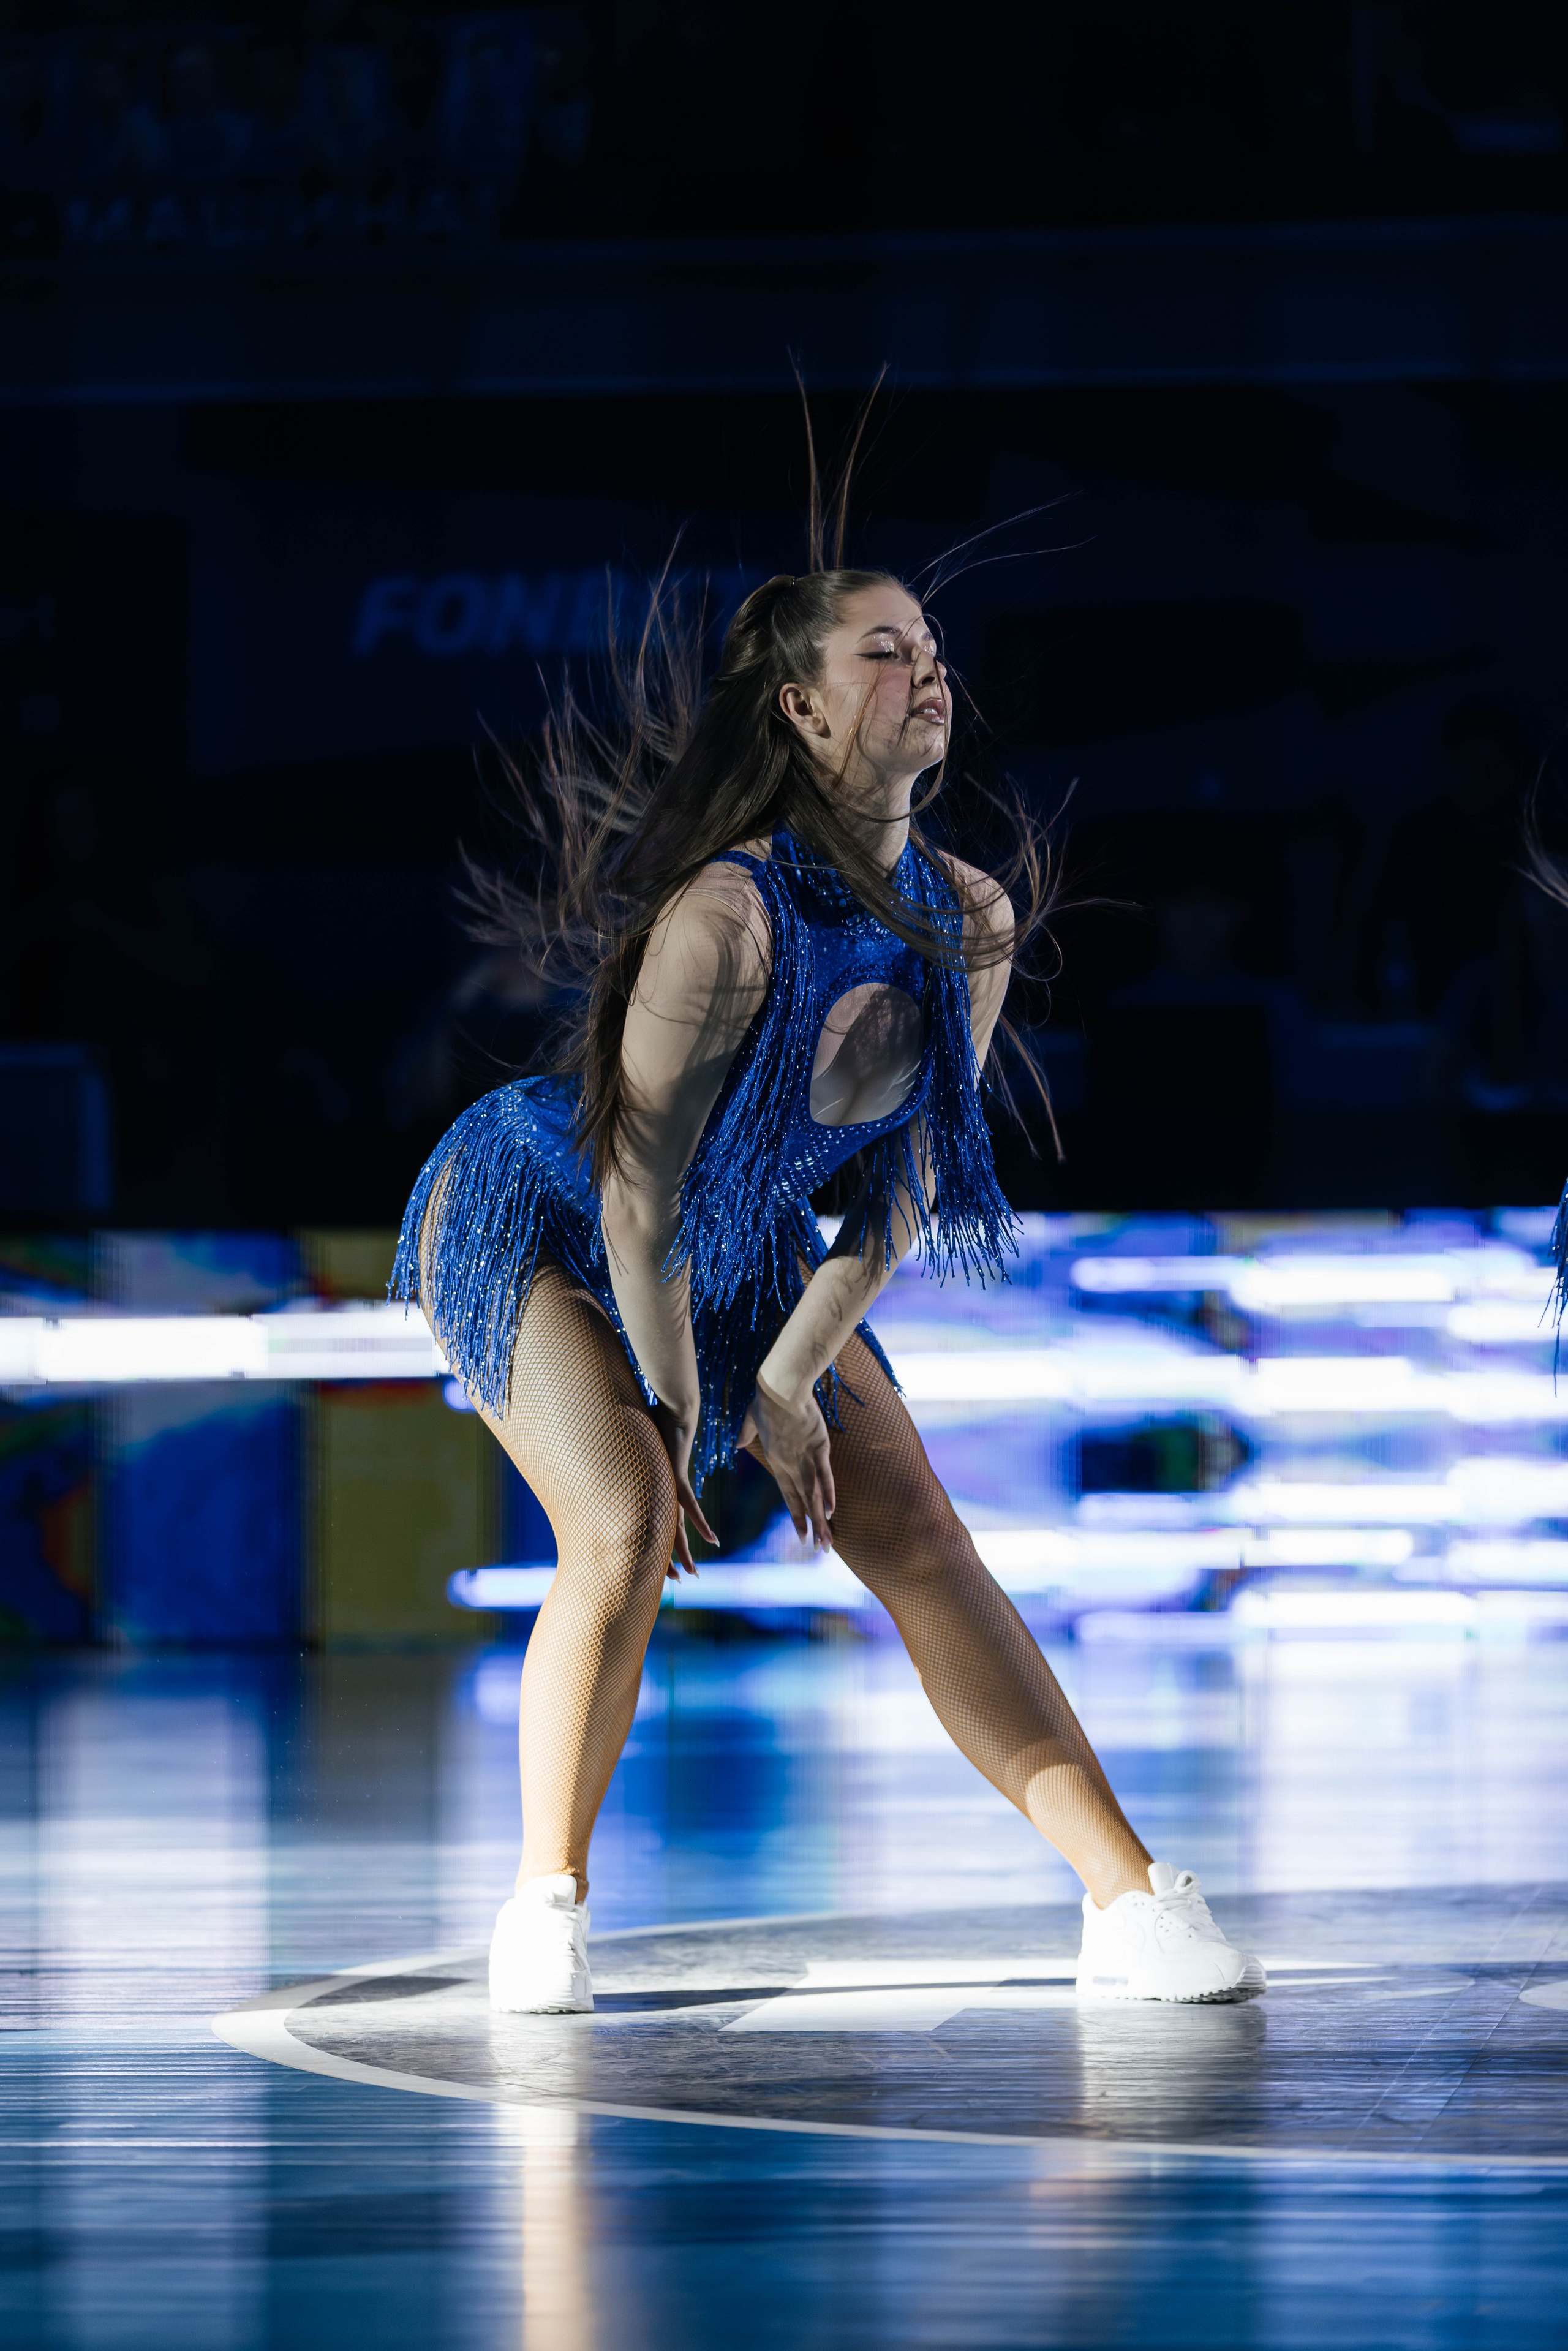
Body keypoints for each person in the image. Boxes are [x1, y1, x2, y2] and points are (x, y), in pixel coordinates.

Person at [392, 532, 1264, 2015]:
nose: (926, 670)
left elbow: (900, 1186)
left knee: (915, 1521)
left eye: (932, 649)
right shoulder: (725, 918)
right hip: (535, 1205)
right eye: (883, 649)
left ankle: (1125, 1896)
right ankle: (545, 1896)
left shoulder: (968, 917)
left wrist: (791, 1375)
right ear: (797, 706)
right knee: (624, 1516)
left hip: (731, 1241)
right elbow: (636, 1201)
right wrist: (681, 1410)